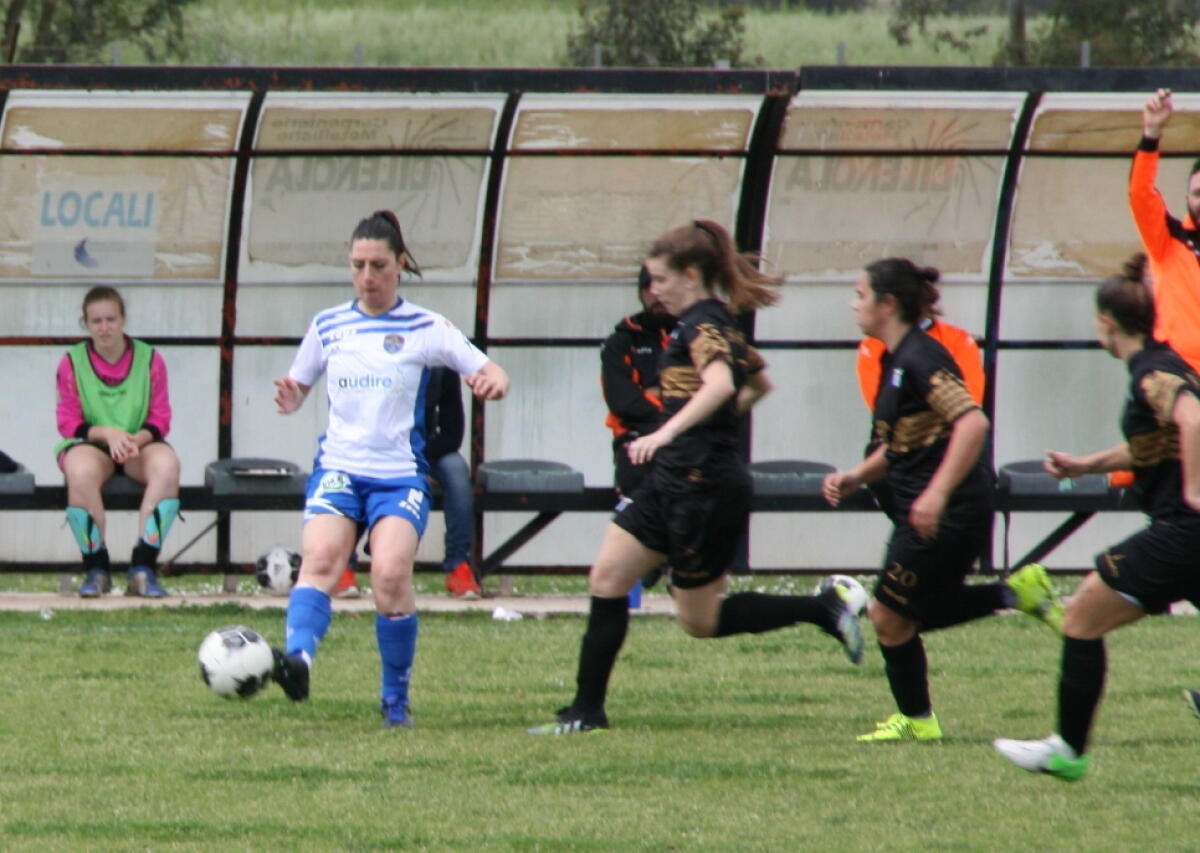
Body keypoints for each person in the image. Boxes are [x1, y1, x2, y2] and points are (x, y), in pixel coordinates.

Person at [528, 219, 864, 736]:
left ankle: (823, 607)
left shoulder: (704, 325)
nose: (654, 291)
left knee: (699, 621)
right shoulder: (713, 322)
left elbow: (722, 383)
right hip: (671, 481)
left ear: (689, 274)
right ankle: (585, 711)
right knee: (607, 579)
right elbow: (758, 384)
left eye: (660, 279)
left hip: (702, 487)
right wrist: (702, 426)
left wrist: (667, 433)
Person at [270, 210, 509, 728]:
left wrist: (493, 380)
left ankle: (395, 702)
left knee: (391, 573)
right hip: (339, 466)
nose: (367, 276)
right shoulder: (328, 324)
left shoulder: (426, 327)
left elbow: (489, 368)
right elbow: (298, 386)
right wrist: (290, 398)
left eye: (378, 264)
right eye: (357, 265)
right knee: (321, 558)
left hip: (399, 474)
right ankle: (298, 661)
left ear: (400, 264)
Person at [822, 258, 1063, 743]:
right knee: (904, 612)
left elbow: (973, 422)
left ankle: (920, 718)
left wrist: (935, 493)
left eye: (860, 294)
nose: (853, 304)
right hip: (931, 508)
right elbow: (902, 443)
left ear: (887, 304)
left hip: (949, 510)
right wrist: (856, 475)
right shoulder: (894, 359)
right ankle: (1012, 596)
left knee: (890, 613)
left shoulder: (921, 358)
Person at [994, 258, 1200, 781]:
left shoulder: (1153, 371)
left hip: (1184, 529)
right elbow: (1155, 445)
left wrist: (1196, 489)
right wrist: (1087, 464)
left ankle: (1067, 751)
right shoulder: (1159, 363)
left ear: (1106, 321)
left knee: (1083, 616)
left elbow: (1193, 418)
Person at [55, 286, 180, 598]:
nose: (104, 327)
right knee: (79, 470)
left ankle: (143, 567)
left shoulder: (150, 359)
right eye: (96, 320)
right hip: (94, 445)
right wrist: (107, 435)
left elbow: (160, 416)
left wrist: (133, 439)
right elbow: (68, 421)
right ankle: (96, 569)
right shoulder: (72, 362)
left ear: (124, 319)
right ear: (85, 323)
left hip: (139, 444)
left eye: (111, 319)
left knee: (167, 465)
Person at [600, 264, 674, 589]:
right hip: (635, 440)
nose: (657, 294)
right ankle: (650, 557)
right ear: (641, 292)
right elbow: (623, 403)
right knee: (639, 466)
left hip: (688, 439)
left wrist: (655, 394)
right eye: (649, 286)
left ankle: (673, 560)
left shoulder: (699, 333)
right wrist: (673, 408)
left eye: (663, 284)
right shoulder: (621, 341)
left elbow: (713, 393)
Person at [1130, 87, 1200, 373]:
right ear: (1186, 199)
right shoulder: (1169, 240)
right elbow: (1140, 193)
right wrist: (1151, 133)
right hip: (1176, 375)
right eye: (1197, 194)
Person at [424, 365, 482, 598]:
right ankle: (345, 566)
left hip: (426, 448)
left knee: (457, 471)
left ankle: (458, 564)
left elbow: (452, 434)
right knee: (354, 473)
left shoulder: (439, 366)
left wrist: (420, 459)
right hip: (378, 448)